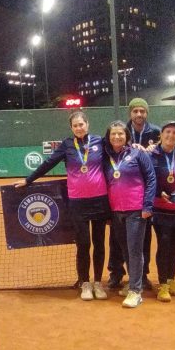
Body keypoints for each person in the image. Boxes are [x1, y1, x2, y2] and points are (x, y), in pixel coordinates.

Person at [15, 110, 110, 300]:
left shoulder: (100, 142)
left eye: (81, 124)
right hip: (77, 202)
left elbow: (118, 152)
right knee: (83, 244)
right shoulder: (67, 145)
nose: (79, 128)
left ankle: (98, 283)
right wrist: (29, 179)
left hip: (99, 200)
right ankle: (84, 283)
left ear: (87, 124)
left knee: (99, 243)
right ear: (71, 128)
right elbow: (49, 163)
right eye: (75, 125)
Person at [107, 97, 160, 290]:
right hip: (121, 196)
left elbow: (165, 152)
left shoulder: (156, 132)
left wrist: (153, 151)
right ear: (130, 113)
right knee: (116, 239)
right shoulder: (122, 131)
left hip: (143, 194)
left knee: (142, 239)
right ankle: (116, 272)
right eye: (135, 111)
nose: (139, 114)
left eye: (142, 111)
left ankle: (141, 276)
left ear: (147, 113)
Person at [103, 120, 156, 308]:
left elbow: (151, 178)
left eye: (120, 133)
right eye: (113, 134)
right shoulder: (106, 156)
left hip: (136, 209)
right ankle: (134, 283)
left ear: (127, 136)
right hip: (116, 210)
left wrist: (147, 206)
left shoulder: (138, 153)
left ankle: (135, 291)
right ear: (108, 137)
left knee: (134, 250)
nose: (117, 137)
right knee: (125, 249)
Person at [148, 121, 175, 302]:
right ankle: (162, 284)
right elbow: (147, 178)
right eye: (167, 132)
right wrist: (159, 192)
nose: (171, 135)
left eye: (174, 132)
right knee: (164, 242)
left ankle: (171, 280)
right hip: (160, 206)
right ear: (161, 134)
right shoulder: (152, 154)